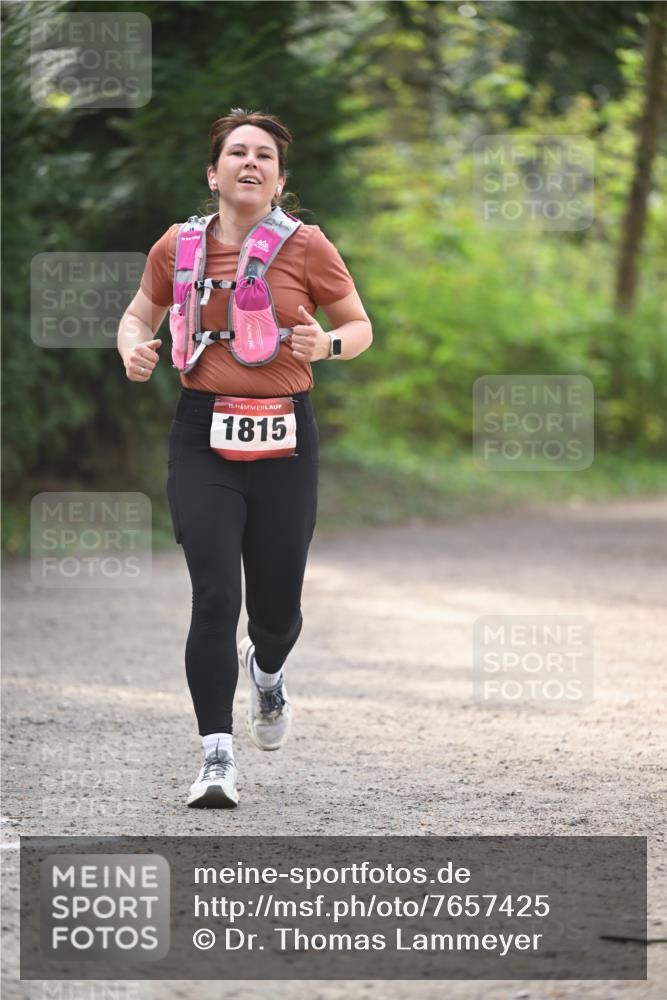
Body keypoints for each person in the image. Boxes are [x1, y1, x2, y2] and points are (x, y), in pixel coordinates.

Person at [117, 108, 373, 808]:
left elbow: (359, 325)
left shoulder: (308, 246)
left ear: (280, 180)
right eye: (237, 152)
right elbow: (140, 313)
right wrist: (131, 346)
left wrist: (329, 346)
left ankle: (266, 672)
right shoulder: (177, 245)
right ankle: (215, 759)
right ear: (214, 172)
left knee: (277, 611)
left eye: (264, 155)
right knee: (214, 595)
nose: (250, 162)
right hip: (204, 435)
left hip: (286, 438)